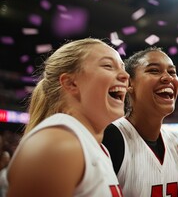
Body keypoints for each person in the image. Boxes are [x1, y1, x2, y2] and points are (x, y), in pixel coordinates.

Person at [7, 38, 129, 197]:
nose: (125, 75)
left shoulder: (95, 147)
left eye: (123, 68)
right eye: (108, 66)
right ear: (71, 83)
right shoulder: (59, 144)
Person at [102, 47, 178, 197]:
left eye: (172, 72)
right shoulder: (109, 138)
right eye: (154, 70)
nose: (167, 78)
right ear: (129, 83)